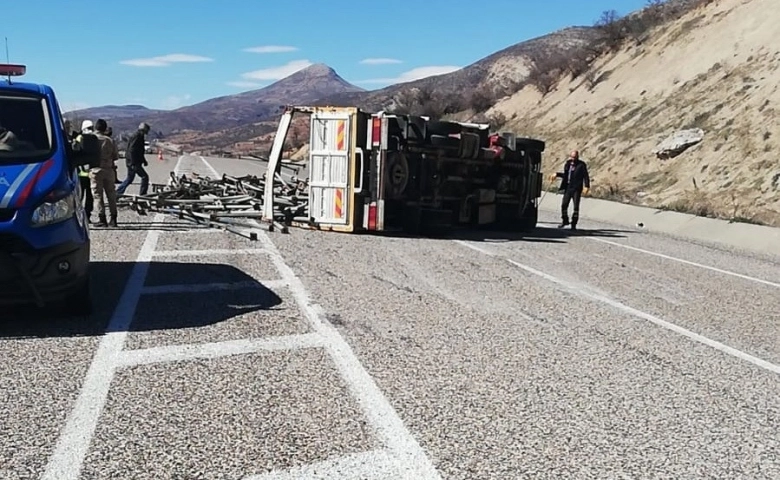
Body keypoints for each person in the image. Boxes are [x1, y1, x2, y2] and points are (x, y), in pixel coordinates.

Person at [550, 150, 590, 230]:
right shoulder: (568, 164)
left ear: (577, 157)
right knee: (564, 205)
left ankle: (574, 224)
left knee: (576, 207)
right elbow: (566, 175)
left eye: (574, 157)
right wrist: (557, 174)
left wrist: (587, 186)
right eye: (572, 157)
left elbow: (586, 176)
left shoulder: (581, 165)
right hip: (568, 187)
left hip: (576, 189)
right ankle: (565, 220)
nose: (573, 159)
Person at [90, 119, 120, 227]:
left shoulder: (91, 139)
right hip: (109, 169)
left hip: (96, 169)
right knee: (111, 195)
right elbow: (116, 156)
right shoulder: (110, 141)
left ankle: (102, 218)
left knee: (98, 196)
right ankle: (114, 218)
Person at [116, 122, 150, 196]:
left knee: (129, 179)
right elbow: (132, 150)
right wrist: (132, 163)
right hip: (133, 162)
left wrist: (144, 160)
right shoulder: (137, 136)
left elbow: (139, 150)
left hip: (132, 162)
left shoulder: (139, 136)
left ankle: (118, 192)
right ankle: (143, 194)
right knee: (145, 177)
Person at [76, 120, 95, 223]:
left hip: (90, 172)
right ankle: (79, 216)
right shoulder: (79, 138)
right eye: (89, 128)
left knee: (90, 196)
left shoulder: (93, 139)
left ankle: (87, 215)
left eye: (92, 128)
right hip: (81, 173)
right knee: (80, 196)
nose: (90, 130)